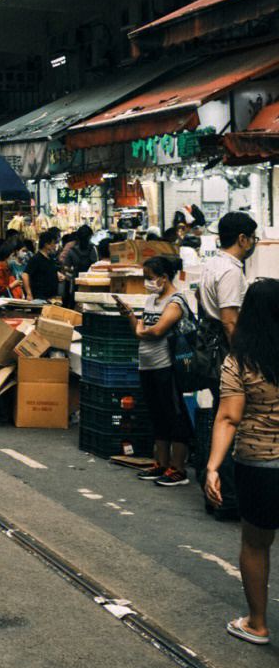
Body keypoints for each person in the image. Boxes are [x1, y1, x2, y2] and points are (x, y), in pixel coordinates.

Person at [206, 279, 279, 645]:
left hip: (258, 465)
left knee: (255, 543)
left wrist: (212, 467)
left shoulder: (239, 361)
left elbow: (229, 417)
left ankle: (257, 623)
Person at [114, 256, 194, 486]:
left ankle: (178, 469)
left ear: (164, 277)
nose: (146, 282)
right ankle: (160, 464)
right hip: (147, 365)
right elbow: (140, 328)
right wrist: (130, 316)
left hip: (167, 367)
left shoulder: (176, 301)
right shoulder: (152, 299)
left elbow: (157, 331)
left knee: (174, 415)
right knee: (157, 415)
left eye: (149, 277)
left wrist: (140, 330)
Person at [198, 211, 257, 518]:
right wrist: (243, 363)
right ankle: (228, 497)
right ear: (243, 239)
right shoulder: (231, 271)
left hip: (211, 355)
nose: (254, 244)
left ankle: (213, 490)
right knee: (232, 424)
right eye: (253, 238)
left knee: (221, 422)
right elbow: (230, 321)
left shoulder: (212, 264)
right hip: (225, 356)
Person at [59, 225, 98, 309]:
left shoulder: (71, 251)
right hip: (92, 281)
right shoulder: (94, 249)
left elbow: (66, 267)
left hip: (77, 281)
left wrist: (73, 270)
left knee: (75, 303)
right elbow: (97, 265)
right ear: (90, 236)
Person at [23, 228, 64, 304]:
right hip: (40, 298)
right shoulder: (36, 259)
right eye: (53, 243)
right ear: (46, 245)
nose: (55, 246)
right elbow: (25, 275)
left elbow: (47, 270)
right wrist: (29, 294)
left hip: (51, 298)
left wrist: (57, 274)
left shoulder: (50, 258)